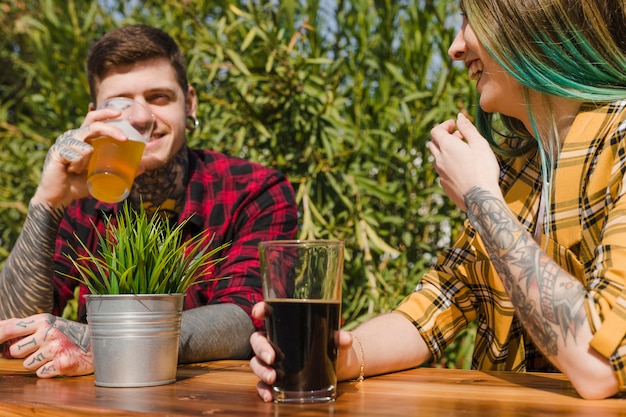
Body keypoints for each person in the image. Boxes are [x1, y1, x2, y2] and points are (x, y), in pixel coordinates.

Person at [250, 0, 626, 401]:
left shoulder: (617, 144)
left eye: (470, 19)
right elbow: (435, 306)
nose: (455, 47)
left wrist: (482, 201)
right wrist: (336, 356)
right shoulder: (523, 168)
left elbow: (600, 363)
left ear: (531, 16)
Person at [0, 24, 298, 378]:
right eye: (119, 104)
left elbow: (245, 316)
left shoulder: (255, 190)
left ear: (189, 103)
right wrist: (47, 203)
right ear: (94, 114)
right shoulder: (80, 200)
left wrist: (106, 341)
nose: (140, 118)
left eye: (158, 97)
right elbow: (11, 325)